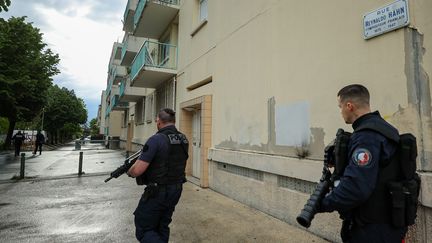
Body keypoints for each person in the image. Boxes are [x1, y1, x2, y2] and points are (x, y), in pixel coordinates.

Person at [319, 84, 407, 242]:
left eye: (340, 107)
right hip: (387, 224)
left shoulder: (366, 136)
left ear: (349, 106)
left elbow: (356, 187)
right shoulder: (385, 129)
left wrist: (322, 203)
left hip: (373, 229)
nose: (341, 112)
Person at [127, 108, 189, 243]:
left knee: (144, 227)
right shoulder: (183, 139)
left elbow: (137, 170)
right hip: (176, 189)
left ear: (159, 121)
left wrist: (130, 171)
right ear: (173, 121)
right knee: (162, 225)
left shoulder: (156, 139)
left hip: (158, 191)